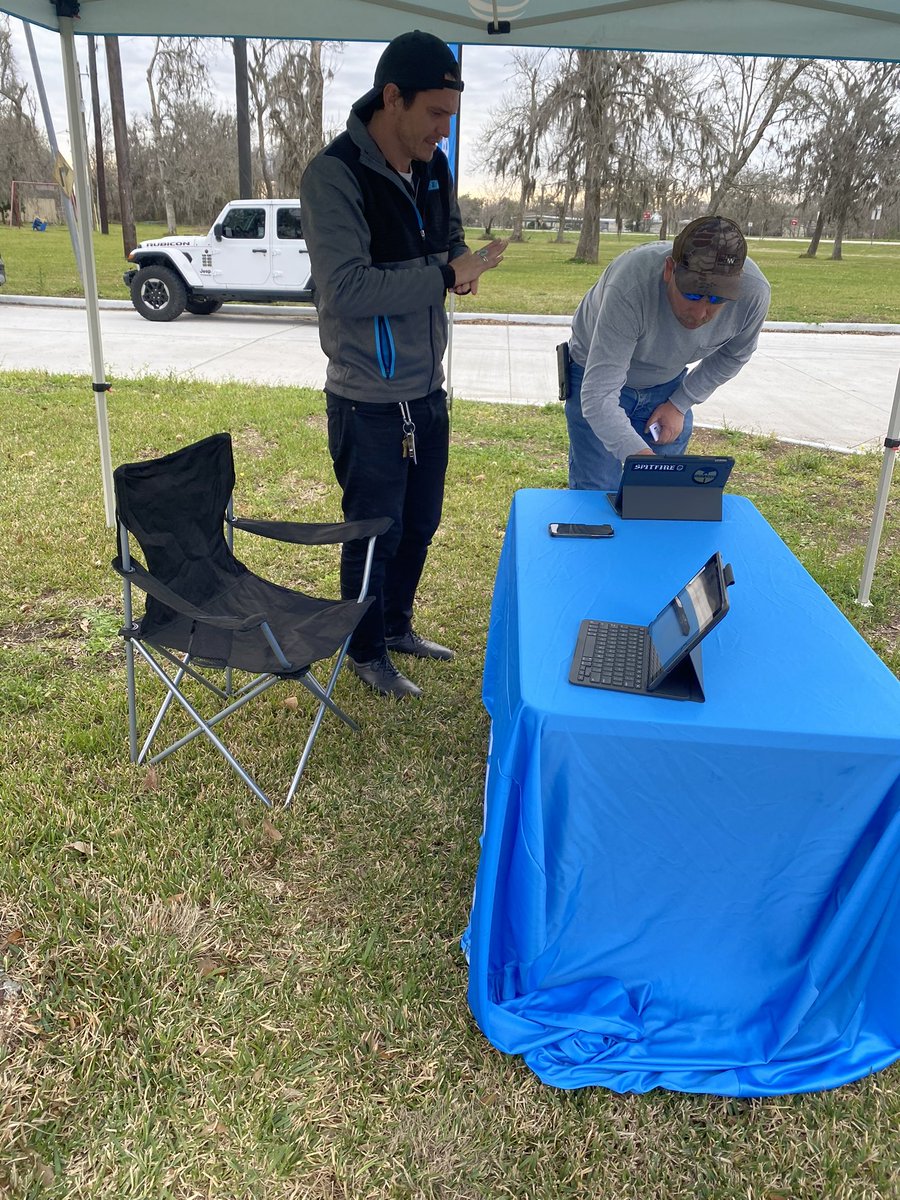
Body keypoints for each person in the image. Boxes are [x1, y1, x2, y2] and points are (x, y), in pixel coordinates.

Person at [300, 30, 507, 698]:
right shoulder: (335, 176)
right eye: (435, 115)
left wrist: (464, 262)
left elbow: (445, 241)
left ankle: (394, 625)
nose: (443, 132)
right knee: (374, 533)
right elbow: (348, 290)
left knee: (420, 524)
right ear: (393, 97)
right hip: (366, 397)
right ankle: (363, 651)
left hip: (426, 387)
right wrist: (447, 274)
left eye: (451, 117)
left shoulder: (434, 167)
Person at [564, 216, 771, 490]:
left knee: (661, 496)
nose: (700, 314)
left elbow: (734, 355)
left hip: (667, 382)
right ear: (669, 270)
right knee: (597, 490)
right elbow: (599, 395)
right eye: (693, 295)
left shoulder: (753, 294)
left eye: (716, 300)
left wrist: (679, 404)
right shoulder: (630, 287)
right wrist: (646, 463)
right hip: (594, 372)